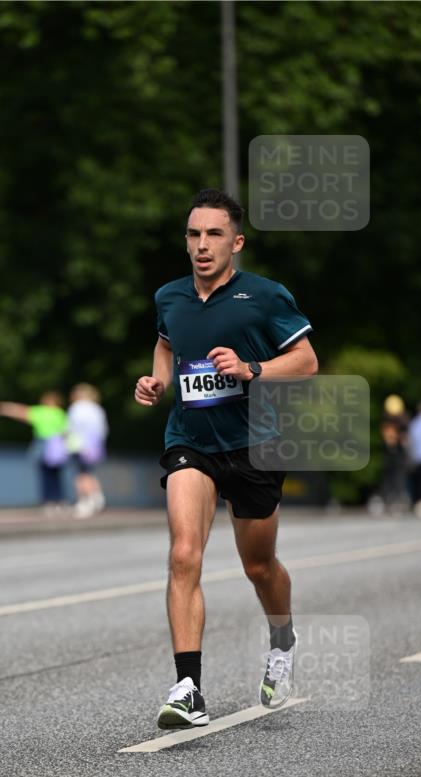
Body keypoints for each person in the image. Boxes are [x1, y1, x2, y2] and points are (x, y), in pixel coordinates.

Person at [134, 188, 317, 728]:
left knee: (258, 566)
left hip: (256, 443)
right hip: (191, 439)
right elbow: (167, 344)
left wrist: (252, 369)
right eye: (194, 234)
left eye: (214, 234)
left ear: (235, 241)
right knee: (184, 553)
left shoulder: (265, 296)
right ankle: (188, 688)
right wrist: (157, 380)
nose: (202, 245)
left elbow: (305, 361)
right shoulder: (170, 296)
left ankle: (282, 639)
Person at [0, 391, 69, 509]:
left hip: (45, 444)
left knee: (46, 474)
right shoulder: (59, 413)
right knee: (54, 475)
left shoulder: (42, 412)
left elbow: (20, 411)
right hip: (56, 446)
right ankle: (58, 500)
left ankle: (50, 501)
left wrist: (4, 408)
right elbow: (66, 432)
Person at [67, 383, 108, 518]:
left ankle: (85, 501)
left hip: (80, 444)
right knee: (90, 472)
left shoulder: (76, 408)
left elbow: (71, 428)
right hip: (95, 444)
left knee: (81, 474)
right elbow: (103, 430)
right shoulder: (98, 409)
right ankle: (97, 497)